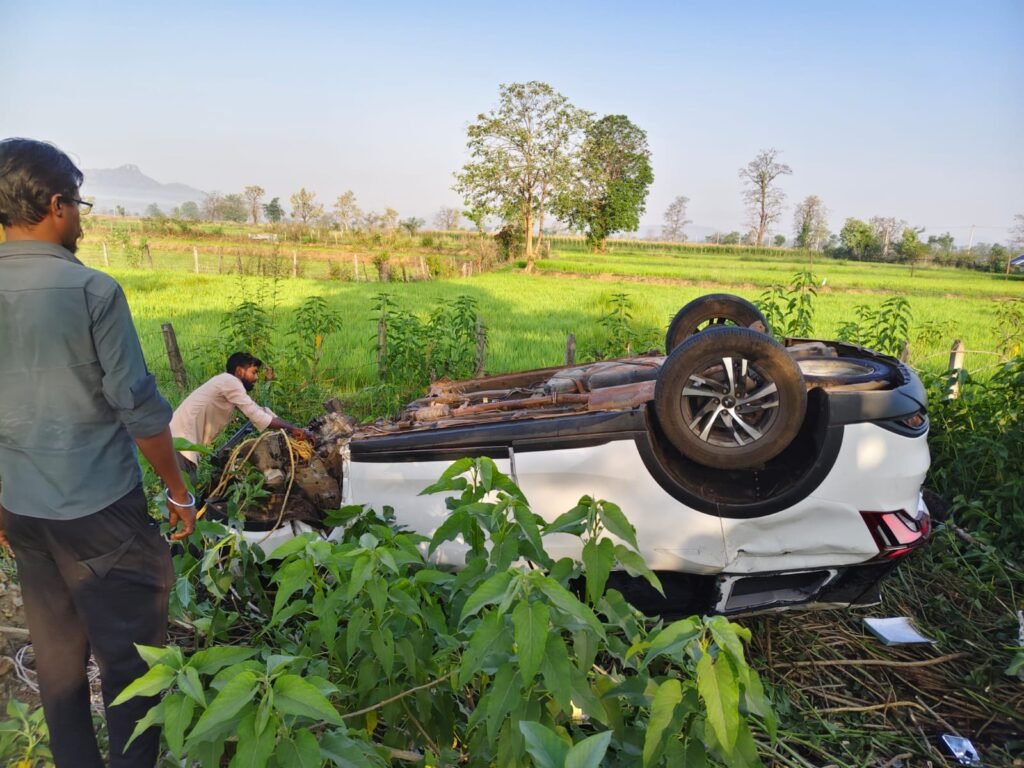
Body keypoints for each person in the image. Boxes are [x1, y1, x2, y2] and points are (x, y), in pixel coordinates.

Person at [0, 138, 196, 768]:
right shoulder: (91, 290)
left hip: (23, 510)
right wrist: (177, 491)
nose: (82, 221)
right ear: (56, 205)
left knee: (58, 660)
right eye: (79, 206)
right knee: (131, 663)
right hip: (100, 515)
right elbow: (138, 407)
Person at [169, 352, 313, 474]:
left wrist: (292, 428)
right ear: (239, 371)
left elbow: (258, 411)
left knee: (182, 492)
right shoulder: (231, 382)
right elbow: (257, 416)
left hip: (178, 442)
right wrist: (292, 428)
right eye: (253, 372)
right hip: (181, 444)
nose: (256, 378)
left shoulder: (226, 382)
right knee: (182, 495)